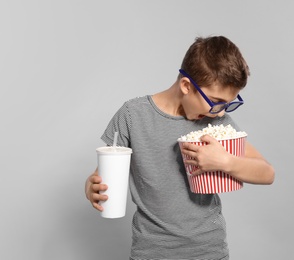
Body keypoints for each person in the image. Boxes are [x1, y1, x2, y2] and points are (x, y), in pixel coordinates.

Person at [85, 35, 275, 260]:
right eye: (216, 101)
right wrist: (91, 187)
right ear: (186, 86)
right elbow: (105, 173)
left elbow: (267, 173)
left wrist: (225, 161)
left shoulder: (215, 122)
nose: (221, 112)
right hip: (150, 252)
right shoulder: (132, 115)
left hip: (209, 251)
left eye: (227, 104)